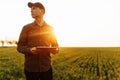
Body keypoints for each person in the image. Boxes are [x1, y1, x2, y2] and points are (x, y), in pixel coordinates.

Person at [17, 2, 59, 80]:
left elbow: (56, 46)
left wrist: (55, 50)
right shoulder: (26, 28)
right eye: (31, 9)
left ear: (42, 11)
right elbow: (19, 47)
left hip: (46, 68)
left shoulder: (50, 28)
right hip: (31, 69)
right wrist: (29, 50)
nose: (31, 11)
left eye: (34, 8)